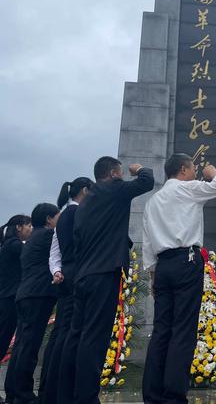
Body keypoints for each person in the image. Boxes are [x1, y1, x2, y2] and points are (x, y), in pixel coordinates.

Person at [58, 157, 153, 404]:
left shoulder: (85, 203)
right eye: (121, 172)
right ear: (113, 173)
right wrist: (138, 169)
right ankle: (87, 398)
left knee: (76, 335)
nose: (123, 175)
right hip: (103, 275)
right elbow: (147, 181)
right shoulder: (115, 188)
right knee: (94, 337)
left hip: (83, 277)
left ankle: (67, 395)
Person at [142, 153, 216, 404]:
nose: (196, 172)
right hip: (186, 262)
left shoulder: (153, 201)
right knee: (182, 330)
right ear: (182, 170)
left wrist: (152, 275)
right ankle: (173, 397)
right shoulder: (188, 188)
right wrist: (212, 173)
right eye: (193, 168)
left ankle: (152, 395)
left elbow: (147, 243)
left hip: (162, 267)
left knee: (161, 331)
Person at [39, 177, 93, 404]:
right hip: (78, 275)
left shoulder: (62, 216)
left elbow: (55, 252)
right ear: (84, 190)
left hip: (65, 276)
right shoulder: (77, 213)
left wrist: (57, 271)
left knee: (60, 334)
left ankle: (49, 392)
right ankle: (63, 393)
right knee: (70, 334)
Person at [4, 203, 60, 404]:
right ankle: (24, 394)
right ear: (48, 219)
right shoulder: (47, 236)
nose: (59, 221)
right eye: (57, 217)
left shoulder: (33, 239)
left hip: (26, 295)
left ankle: (13, 391)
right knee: (29, 347)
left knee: (21, 346)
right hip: (38, 295)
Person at [0, 215, 32, 404]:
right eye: (28, 225)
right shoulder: (15, 245)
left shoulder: (9, 244)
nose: (30, 228)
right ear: (18, 227)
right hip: (9, 300)